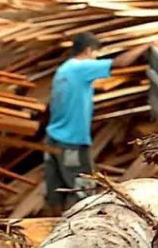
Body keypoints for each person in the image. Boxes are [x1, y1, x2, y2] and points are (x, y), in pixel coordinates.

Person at [44, 33, 113, 212]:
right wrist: (146, 47)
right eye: (96, 54)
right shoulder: (80, 68)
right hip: (72, 142)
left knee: (56, 191)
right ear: (89, 50)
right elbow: (118, 64)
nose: (96, 58)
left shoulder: (63, 69)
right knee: (84, 193)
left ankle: (53, 223)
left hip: (53, 139)